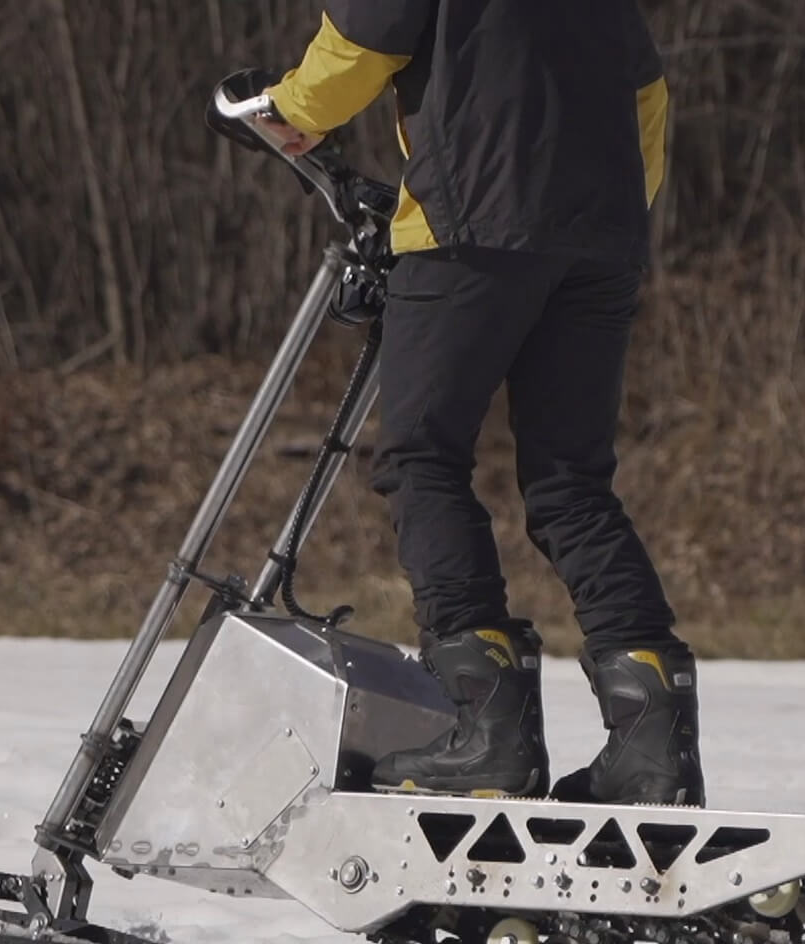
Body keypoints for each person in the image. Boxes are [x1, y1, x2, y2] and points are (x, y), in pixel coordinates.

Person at [261, 1, 704, 807]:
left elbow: (361, 40)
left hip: (471, 226)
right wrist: (602, 220)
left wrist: (287, 110)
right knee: (571, 480)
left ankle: (487, 730)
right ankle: (654, 750)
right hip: (601, 241)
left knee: (422, 456)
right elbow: (647, 94)